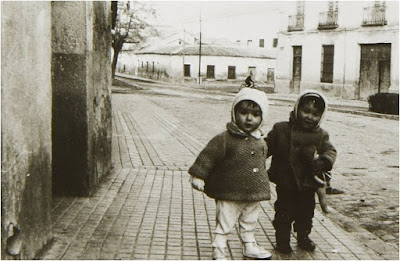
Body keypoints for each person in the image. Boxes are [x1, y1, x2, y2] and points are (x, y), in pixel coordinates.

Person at [189, 87, 272, 260]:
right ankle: (219, 248)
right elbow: (208, 156)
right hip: (229, 191)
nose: (249, 118)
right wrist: (198, 174)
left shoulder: (260, 141)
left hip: (253, 192)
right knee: (225, 220)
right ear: (234, 112)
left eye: (256, 114)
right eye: (243, 112)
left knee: (250, 220)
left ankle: (249, 245)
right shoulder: (225, 139)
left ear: (262, 118)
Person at [265, 90, 337, 254]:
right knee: (283, 212)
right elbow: (267, 146)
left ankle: (303, 236)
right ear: (297, 108)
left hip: (307, 183)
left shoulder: (320, 134)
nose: (309, 117)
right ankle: (282, 240)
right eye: (305, 111)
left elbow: (330, 150)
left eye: (315, 114)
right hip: (285, 181)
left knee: (306, 213)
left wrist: (324, 161)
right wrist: (256, 153)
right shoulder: (281, 129)